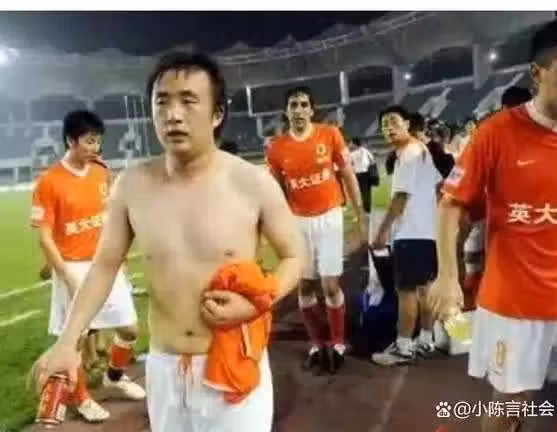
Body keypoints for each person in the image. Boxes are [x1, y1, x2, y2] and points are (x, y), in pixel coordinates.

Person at [31, 52, 305, 432]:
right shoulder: (132, 184)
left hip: (232, 359)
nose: (173, 115)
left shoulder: (253, 183)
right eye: (162, 102)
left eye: (189, 101)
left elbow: (294, 255)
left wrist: (258, 301)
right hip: (163, 367)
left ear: (217, 114)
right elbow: (105, 264)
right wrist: (67, 341)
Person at [429, 16, 557, 432]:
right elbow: (451, 205)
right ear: (536, 74)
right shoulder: (496, 134)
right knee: (510, 406)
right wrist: (447, 277)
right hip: (516, 304)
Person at [30, 110, 146, 423]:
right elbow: (44, 237)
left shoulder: (101, 172)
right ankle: (81, 398)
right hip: (73, 267)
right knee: (76, 339)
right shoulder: (49, 181)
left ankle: (114, 376)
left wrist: (119, 259)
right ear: (71, 141)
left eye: (98, 141)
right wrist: (64, 273)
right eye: (90, 141)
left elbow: (109, 219)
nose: (96, 147)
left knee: (130, 329)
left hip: (105, 264)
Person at [266, 86, 366, 375]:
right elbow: (278, 192)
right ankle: (316, 342)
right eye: (293, 105)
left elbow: (347, 174)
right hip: (298, 221)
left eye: (303, 104)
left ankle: (337, 341)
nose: (298, 110)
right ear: (287, 111)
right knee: (305, 286)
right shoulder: (277, 149)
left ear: (312, 109)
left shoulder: (329, 134)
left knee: (330, 285)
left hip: (329, 216)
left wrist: (360, 213)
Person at [371, 105, 442, 366]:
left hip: (410, 233)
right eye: (384, 125)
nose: (388, 128)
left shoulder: (408, 153)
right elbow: (439, 187)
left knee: (407, 291)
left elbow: (400, 197)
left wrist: (381, 232)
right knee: (425, 289)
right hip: (427, 232)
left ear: (407, 124)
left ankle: (403, 347)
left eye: (393, 122)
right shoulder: (421, 150)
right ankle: (426, 340)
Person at [348, 137, 376, 216]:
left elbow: (349, 164)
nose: (350, 144)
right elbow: (372, 160)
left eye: (351, 143)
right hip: (366, 174)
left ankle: (360, 211)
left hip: (357, 174)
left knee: (357, 193)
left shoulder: (352, 154)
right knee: (366, 192)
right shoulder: (365, 150)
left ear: (354, 144)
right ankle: (367, 210)